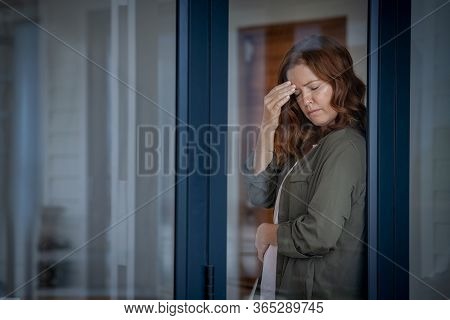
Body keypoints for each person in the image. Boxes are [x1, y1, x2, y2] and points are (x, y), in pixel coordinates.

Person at [246, 35, 367, 299]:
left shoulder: (345, 145)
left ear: (341, 82)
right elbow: (259, 194)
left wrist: (269, 232)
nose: (307, 101)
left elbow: (319, 234)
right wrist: (267, 126)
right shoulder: (306, 139)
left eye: (314, 87)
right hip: (278, 287)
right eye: (298, 94)